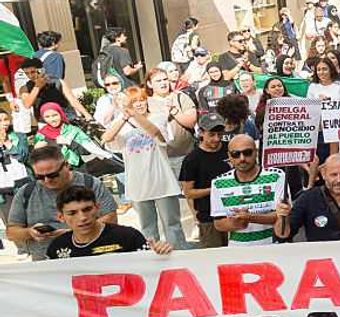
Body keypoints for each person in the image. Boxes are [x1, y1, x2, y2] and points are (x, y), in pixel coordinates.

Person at [99, 86, 188, 251]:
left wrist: (135, 115)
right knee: (147, 227)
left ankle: (179, 255)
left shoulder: (158, 116)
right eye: (134, 102)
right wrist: (123, 117)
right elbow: (106, 138)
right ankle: (152, 256)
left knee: (172, 225)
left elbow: (155, 132)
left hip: (162, 181)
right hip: (138, 183)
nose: (139, 104)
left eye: (142, 100)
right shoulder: (122, 124)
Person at [7, 145, 117, 261]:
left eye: (52, 175)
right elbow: (12, 232)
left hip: (90, 256)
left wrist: (73, 232)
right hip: (46, 261)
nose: (47, 180)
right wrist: (30, 232)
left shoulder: (90, 184)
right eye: (39, 177)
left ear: (66, 165)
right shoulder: (26, 192)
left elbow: (111, 218)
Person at [45, 185, 172, 259]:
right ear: (61, 217)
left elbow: (153, 271)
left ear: (97, 208)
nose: (82, 217)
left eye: (87, 209)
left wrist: (161, 254)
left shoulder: (128, 237)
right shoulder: (56, 248)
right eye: (72, 213)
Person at [276, 154, 340, 241]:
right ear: (324, 174)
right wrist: (282, 217)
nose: (339, 180)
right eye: (333, 175)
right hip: (321, 262)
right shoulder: (308, 198)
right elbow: (283, 236)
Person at [179, 114, 232, 248]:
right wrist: (215, 188)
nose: (216, 138)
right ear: (201, 133)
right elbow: (188, 192)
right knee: (214, 257)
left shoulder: (231, 149)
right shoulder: (192, 159)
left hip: (234, 212)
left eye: (220, 134)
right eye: (212, 134)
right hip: (209, 217)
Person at [18, 58, 92, 122]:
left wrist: (86, 114)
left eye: (33, 72)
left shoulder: (57, 82)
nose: (30, 76)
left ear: (41, 70)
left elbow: (72, 100)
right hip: (45, 121)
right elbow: (27, 104)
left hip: (66, 118)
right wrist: (37, 87)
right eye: (27, 73)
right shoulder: (25, 88)